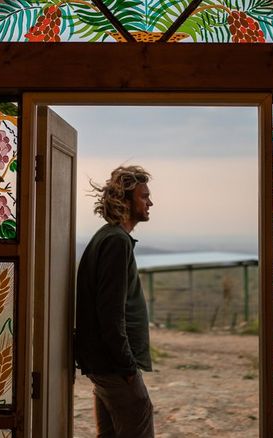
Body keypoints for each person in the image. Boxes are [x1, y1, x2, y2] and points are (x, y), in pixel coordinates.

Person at [75, 165, 155, 438]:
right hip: (115, 367)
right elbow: (111, 314)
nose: (150, 202)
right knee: (138, 420)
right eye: (144, 197)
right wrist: (128, 368)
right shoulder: (116, 242)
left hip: (105, 364)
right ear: (125, 200)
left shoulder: (108, 237)